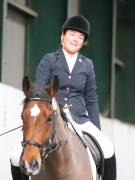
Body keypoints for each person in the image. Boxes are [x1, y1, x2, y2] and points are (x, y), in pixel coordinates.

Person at [10, 15, 116, 180]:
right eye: (72, 34)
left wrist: (97, 129)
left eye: (80, 37)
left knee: (108, 148)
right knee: (16, 155)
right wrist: (48, 108)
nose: (76, 39)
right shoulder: (50, 59)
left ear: (83, 42)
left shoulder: (87, 65)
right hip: (52, 118)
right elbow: (38, 89)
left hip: (80, 119)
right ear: (63, 36)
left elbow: (91, 99)